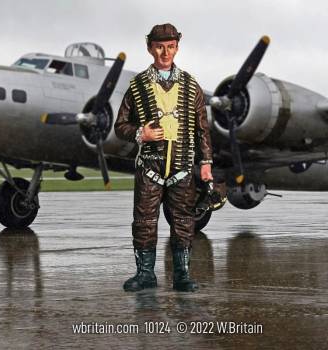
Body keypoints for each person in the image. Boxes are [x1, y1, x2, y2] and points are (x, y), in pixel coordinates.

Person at [114, 23, 213, 292]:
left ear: (177, 48)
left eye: (170, 47)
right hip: (149, 166)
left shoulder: (192, 86)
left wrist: (205, 164)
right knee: (144, 221)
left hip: (182, 166)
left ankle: (182, 275)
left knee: (183, 221)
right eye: (159, 47)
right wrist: (139, 133)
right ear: (150, 48)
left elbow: (202, 128)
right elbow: (120, 126)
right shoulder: (137, 86)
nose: (165, 52)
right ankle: (145, 273)